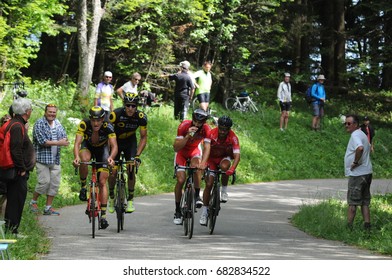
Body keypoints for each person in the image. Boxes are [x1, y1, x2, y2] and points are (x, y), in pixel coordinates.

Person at [72, 106, 118, 229]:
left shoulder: (108, 125)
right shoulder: (84, 124)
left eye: (98, 120)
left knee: (102, 181)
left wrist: (111, 158)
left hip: (102, 150)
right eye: (93, 120)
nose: (95, 123)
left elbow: (114, 146)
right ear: (90, 119)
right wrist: (76, 157)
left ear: (103, 119)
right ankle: (83, 186)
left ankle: (103, 216)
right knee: (84, 160)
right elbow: (77, 143)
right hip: (87, 146)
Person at [108, 93, 147, 213]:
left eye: (133, 106)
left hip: (130, 142)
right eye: (128, 105)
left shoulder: (141, 117)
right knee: (113, 171)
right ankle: (111, 197)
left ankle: (130, 199)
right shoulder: (115, 114)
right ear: (124, 105)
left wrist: (137, 155)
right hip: (116, 141)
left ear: (136, 107)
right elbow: (108, 134)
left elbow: (143, 137)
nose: (130, 108)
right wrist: (109, 155)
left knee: (131, 168)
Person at [200, 115, 240, 225]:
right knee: (209, 184)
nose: (222, 132)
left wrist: (232, 169)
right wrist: (203, 162)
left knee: (225, 167)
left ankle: (224, 190)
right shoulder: (211, 133)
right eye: (221, 129)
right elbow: (206, 149)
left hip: (224, 157)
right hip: (211, 158)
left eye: (225, 130)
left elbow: (237, 156)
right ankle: (204, 211)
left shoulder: (233, 137)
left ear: (229, 129)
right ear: (218, 127)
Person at [173, 109, 211, 225]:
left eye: (200, 123)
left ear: (204, 122)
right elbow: (176, 148)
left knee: (197, 167)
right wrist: (187, 136)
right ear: (192, 119)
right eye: (195, 121)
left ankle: (196, 195)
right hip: (181, 153)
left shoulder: (206, 129)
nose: (196, 124)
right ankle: (178, 210)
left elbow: (207, 147)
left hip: (194, 151)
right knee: (181, 180)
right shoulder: (184, 125)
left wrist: (203, 162)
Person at [29, 104, 69, 215]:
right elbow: (42, 141)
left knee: (54, 184)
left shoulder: (58, 123)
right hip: (42, 159)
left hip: (55, 159)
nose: (52, 114)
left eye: (54, 112)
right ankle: (33, 202)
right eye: (50, 112)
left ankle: (48, 207)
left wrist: (63, 140)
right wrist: (59, 142)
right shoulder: (39, 123)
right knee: (44, 182)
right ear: (45, 112)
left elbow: (64, 136)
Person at [3, 98, 35, 236]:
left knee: (13, 200)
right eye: (31, 109)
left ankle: (11, 229)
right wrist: (22, 169)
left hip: (12, 170)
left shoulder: (14, 123)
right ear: (27, 112)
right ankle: (12, 230)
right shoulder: (17, 126)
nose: (31, 111)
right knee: (16, 200)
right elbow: (16, 150)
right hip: (16, 172)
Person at [344, 114, 373, 231]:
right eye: (345, 123)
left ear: (355, 124)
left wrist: (355, 162)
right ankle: (367, 227)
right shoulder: (362, 134)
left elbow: (360, 148)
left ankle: (348, 228)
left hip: (358, 174)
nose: (346, 125)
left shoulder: (355, 135)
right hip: (367, 172)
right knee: (365, 202)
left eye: (349, 123)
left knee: (353, 202)